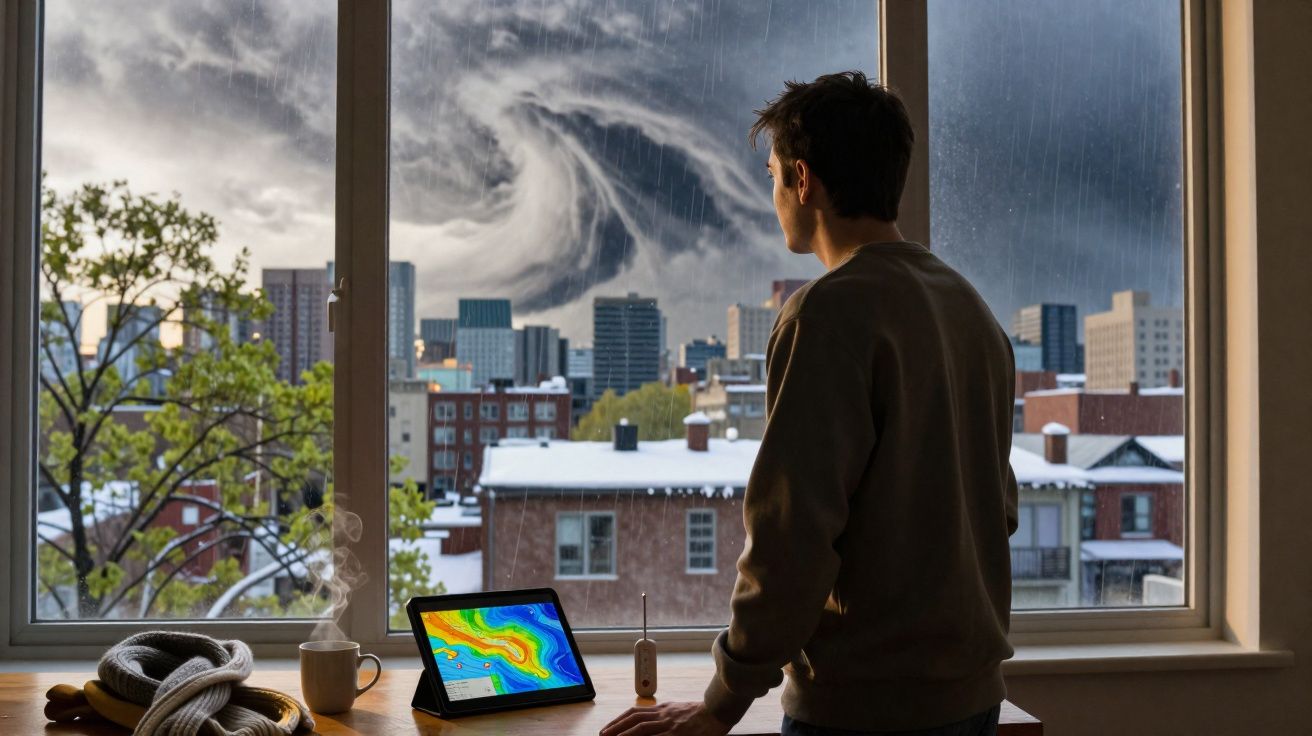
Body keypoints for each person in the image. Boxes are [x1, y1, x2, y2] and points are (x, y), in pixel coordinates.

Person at [600, 70, 1017, 736]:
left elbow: (791, 540)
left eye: (771, 175)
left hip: (863, 711)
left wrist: (720, 703)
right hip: (973, 701)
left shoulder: (826, 315)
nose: (772, 196)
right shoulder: (970, 309)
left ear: (802, 179)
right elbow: (999, 508)